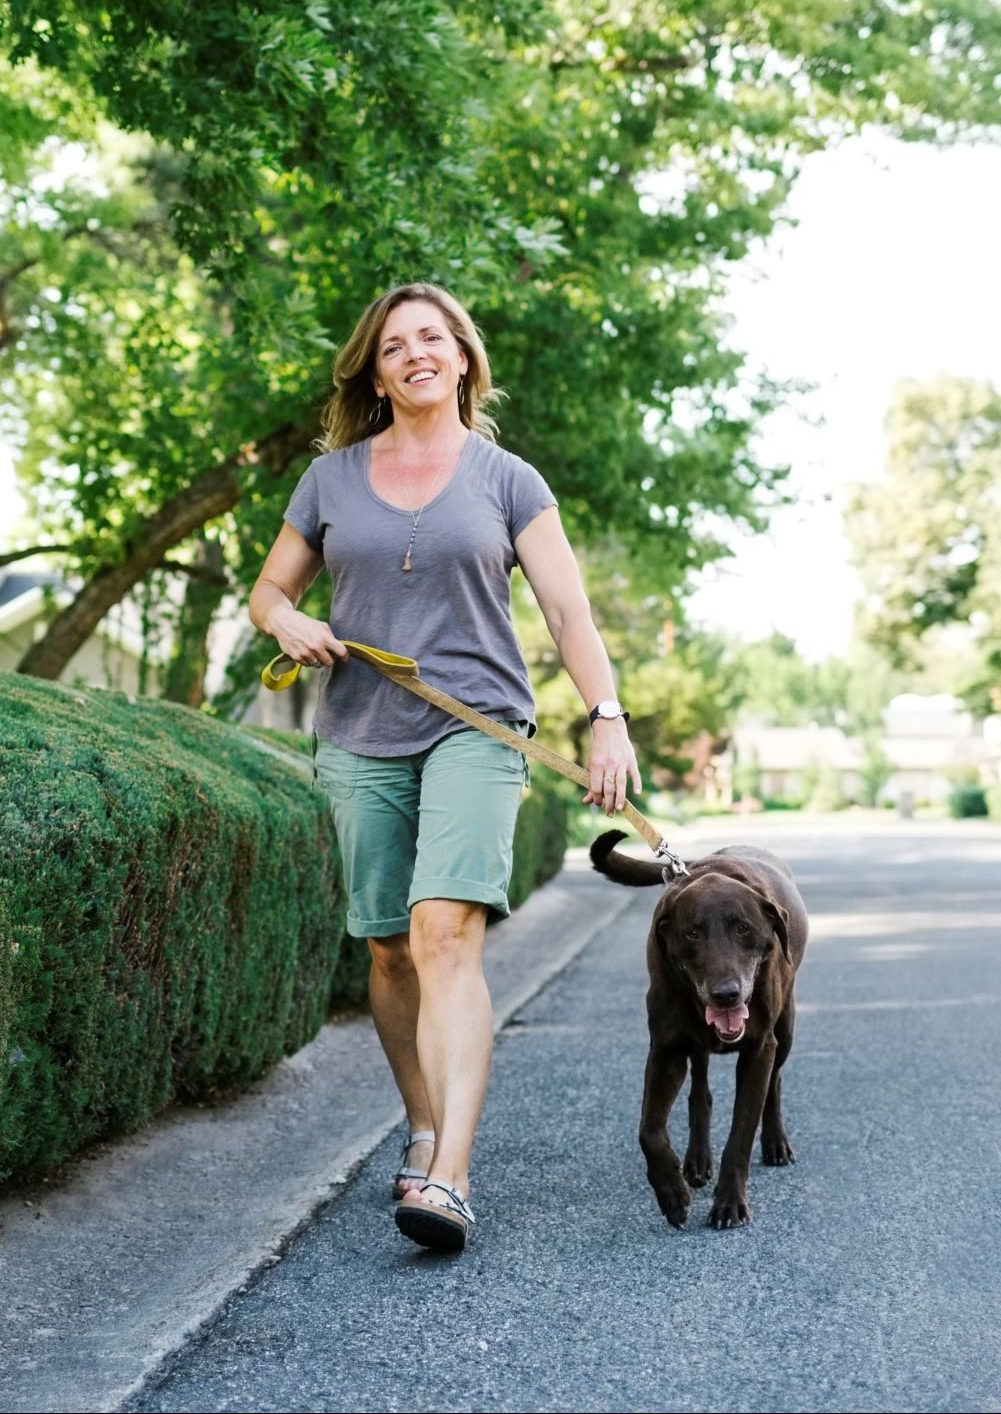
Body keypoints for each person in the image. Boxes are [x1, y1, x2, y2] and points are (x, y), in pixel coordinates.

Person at [246, 281, 643, 1251]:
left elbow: (565, 613)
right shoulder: (330, 481)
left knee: (442, 933)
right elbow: (269, 590)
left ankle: (449, 1176)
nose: (414, 354)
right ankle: (421, 1124)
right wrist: (289, 620)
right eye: (393, 347)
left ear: (463, 358)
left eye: (432, 338)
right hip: (358, 729)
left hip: (477, 725)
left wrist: (607, 717)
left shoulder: (509, 481)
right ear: (374, 374)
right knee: (387, 944)